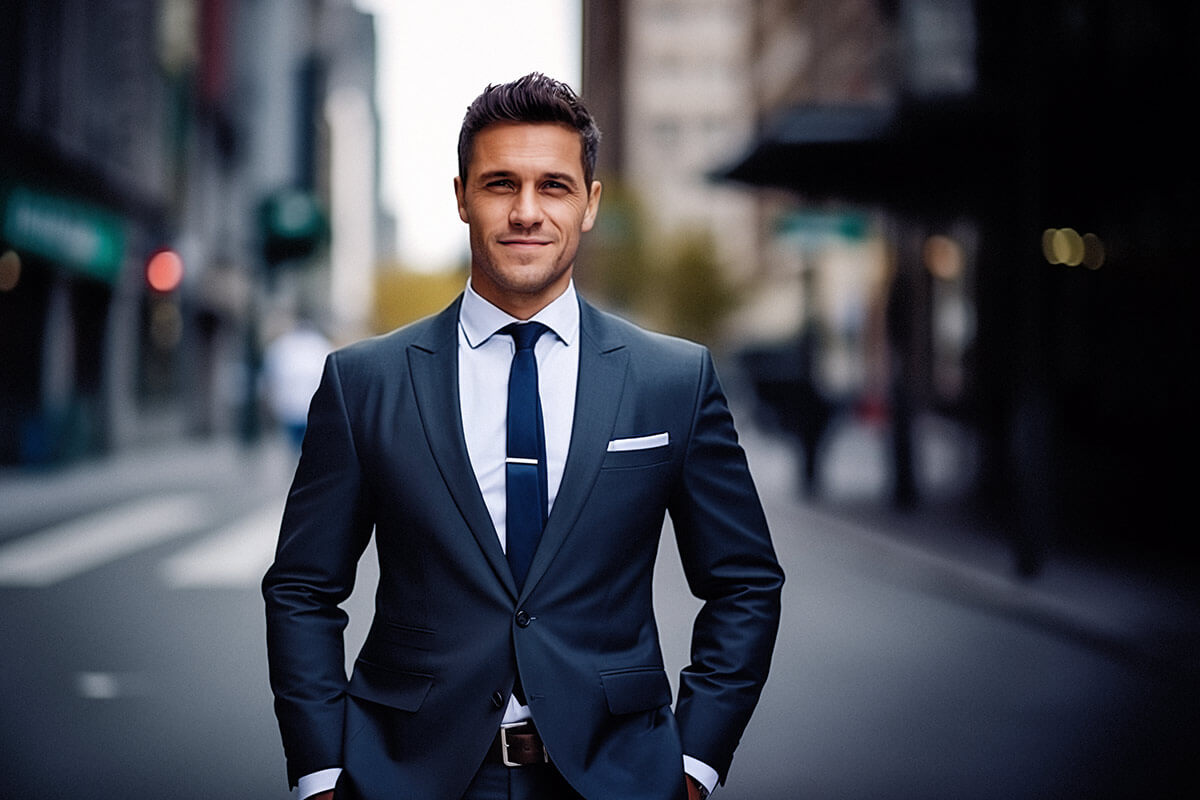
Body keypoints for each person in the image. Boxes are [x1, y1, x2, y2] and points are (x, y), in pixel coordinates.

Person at [263, 72, 784, 800]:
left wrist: (694, 763)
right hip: (410, 776)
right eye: (501, 184)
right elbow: (301, 588)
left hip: (617, 776)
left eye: (555, 186)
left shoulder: (674, 379)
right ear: (462, 197)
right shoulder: (364, 383)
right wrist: (321, 771)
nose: (526, 212)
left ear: (591, 204)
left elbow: (745, 583)